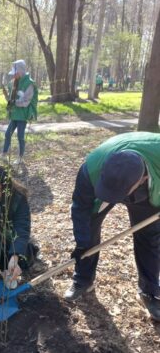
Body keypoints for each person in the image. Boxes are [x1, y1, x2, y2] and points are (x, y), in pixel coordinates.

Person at [64, 131, 160, 321]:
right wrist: (82, 244)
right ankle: (83, 279)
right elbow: (81, 210)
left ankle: (149, 292)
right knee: (88, 230)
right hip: (103, 177)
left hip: (150, 191)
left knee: (149, 238)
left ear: (140, 180)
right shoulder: (92, 168)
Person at [0, 60, 38, 165]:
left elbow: (26, 102)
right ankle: (4, 154)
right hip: (14, 114)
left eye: (15, 72)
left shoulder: (29, 83)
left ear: (21, 71)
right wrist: (6, 96)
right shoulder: (13, 83)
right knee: (7, 134)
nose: (14, 74)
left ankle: (20, 157)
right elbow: (10, 99)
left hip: (23, 115)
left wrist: (14, 102)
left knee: (20, 136)